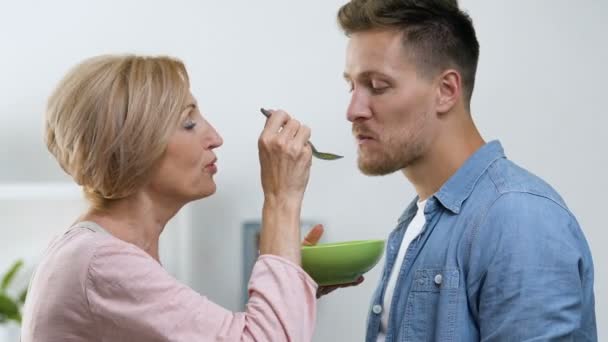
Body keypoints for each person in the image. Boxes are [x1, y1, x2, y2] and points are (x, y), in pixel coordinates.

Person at [329, 0, 596, 340]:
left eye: (378, 86)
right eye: (351, 86)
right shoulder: (418, 222)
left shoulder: (519, 219)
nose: (353, 110)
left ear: (446, 91)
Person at [21, 55, 318, 341]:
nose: (215, 137)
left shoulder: (97, 255)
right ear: (134, 146)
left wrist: (290, 289)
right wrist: (282, 197)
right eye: (189, 123)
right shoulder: (101, 263)